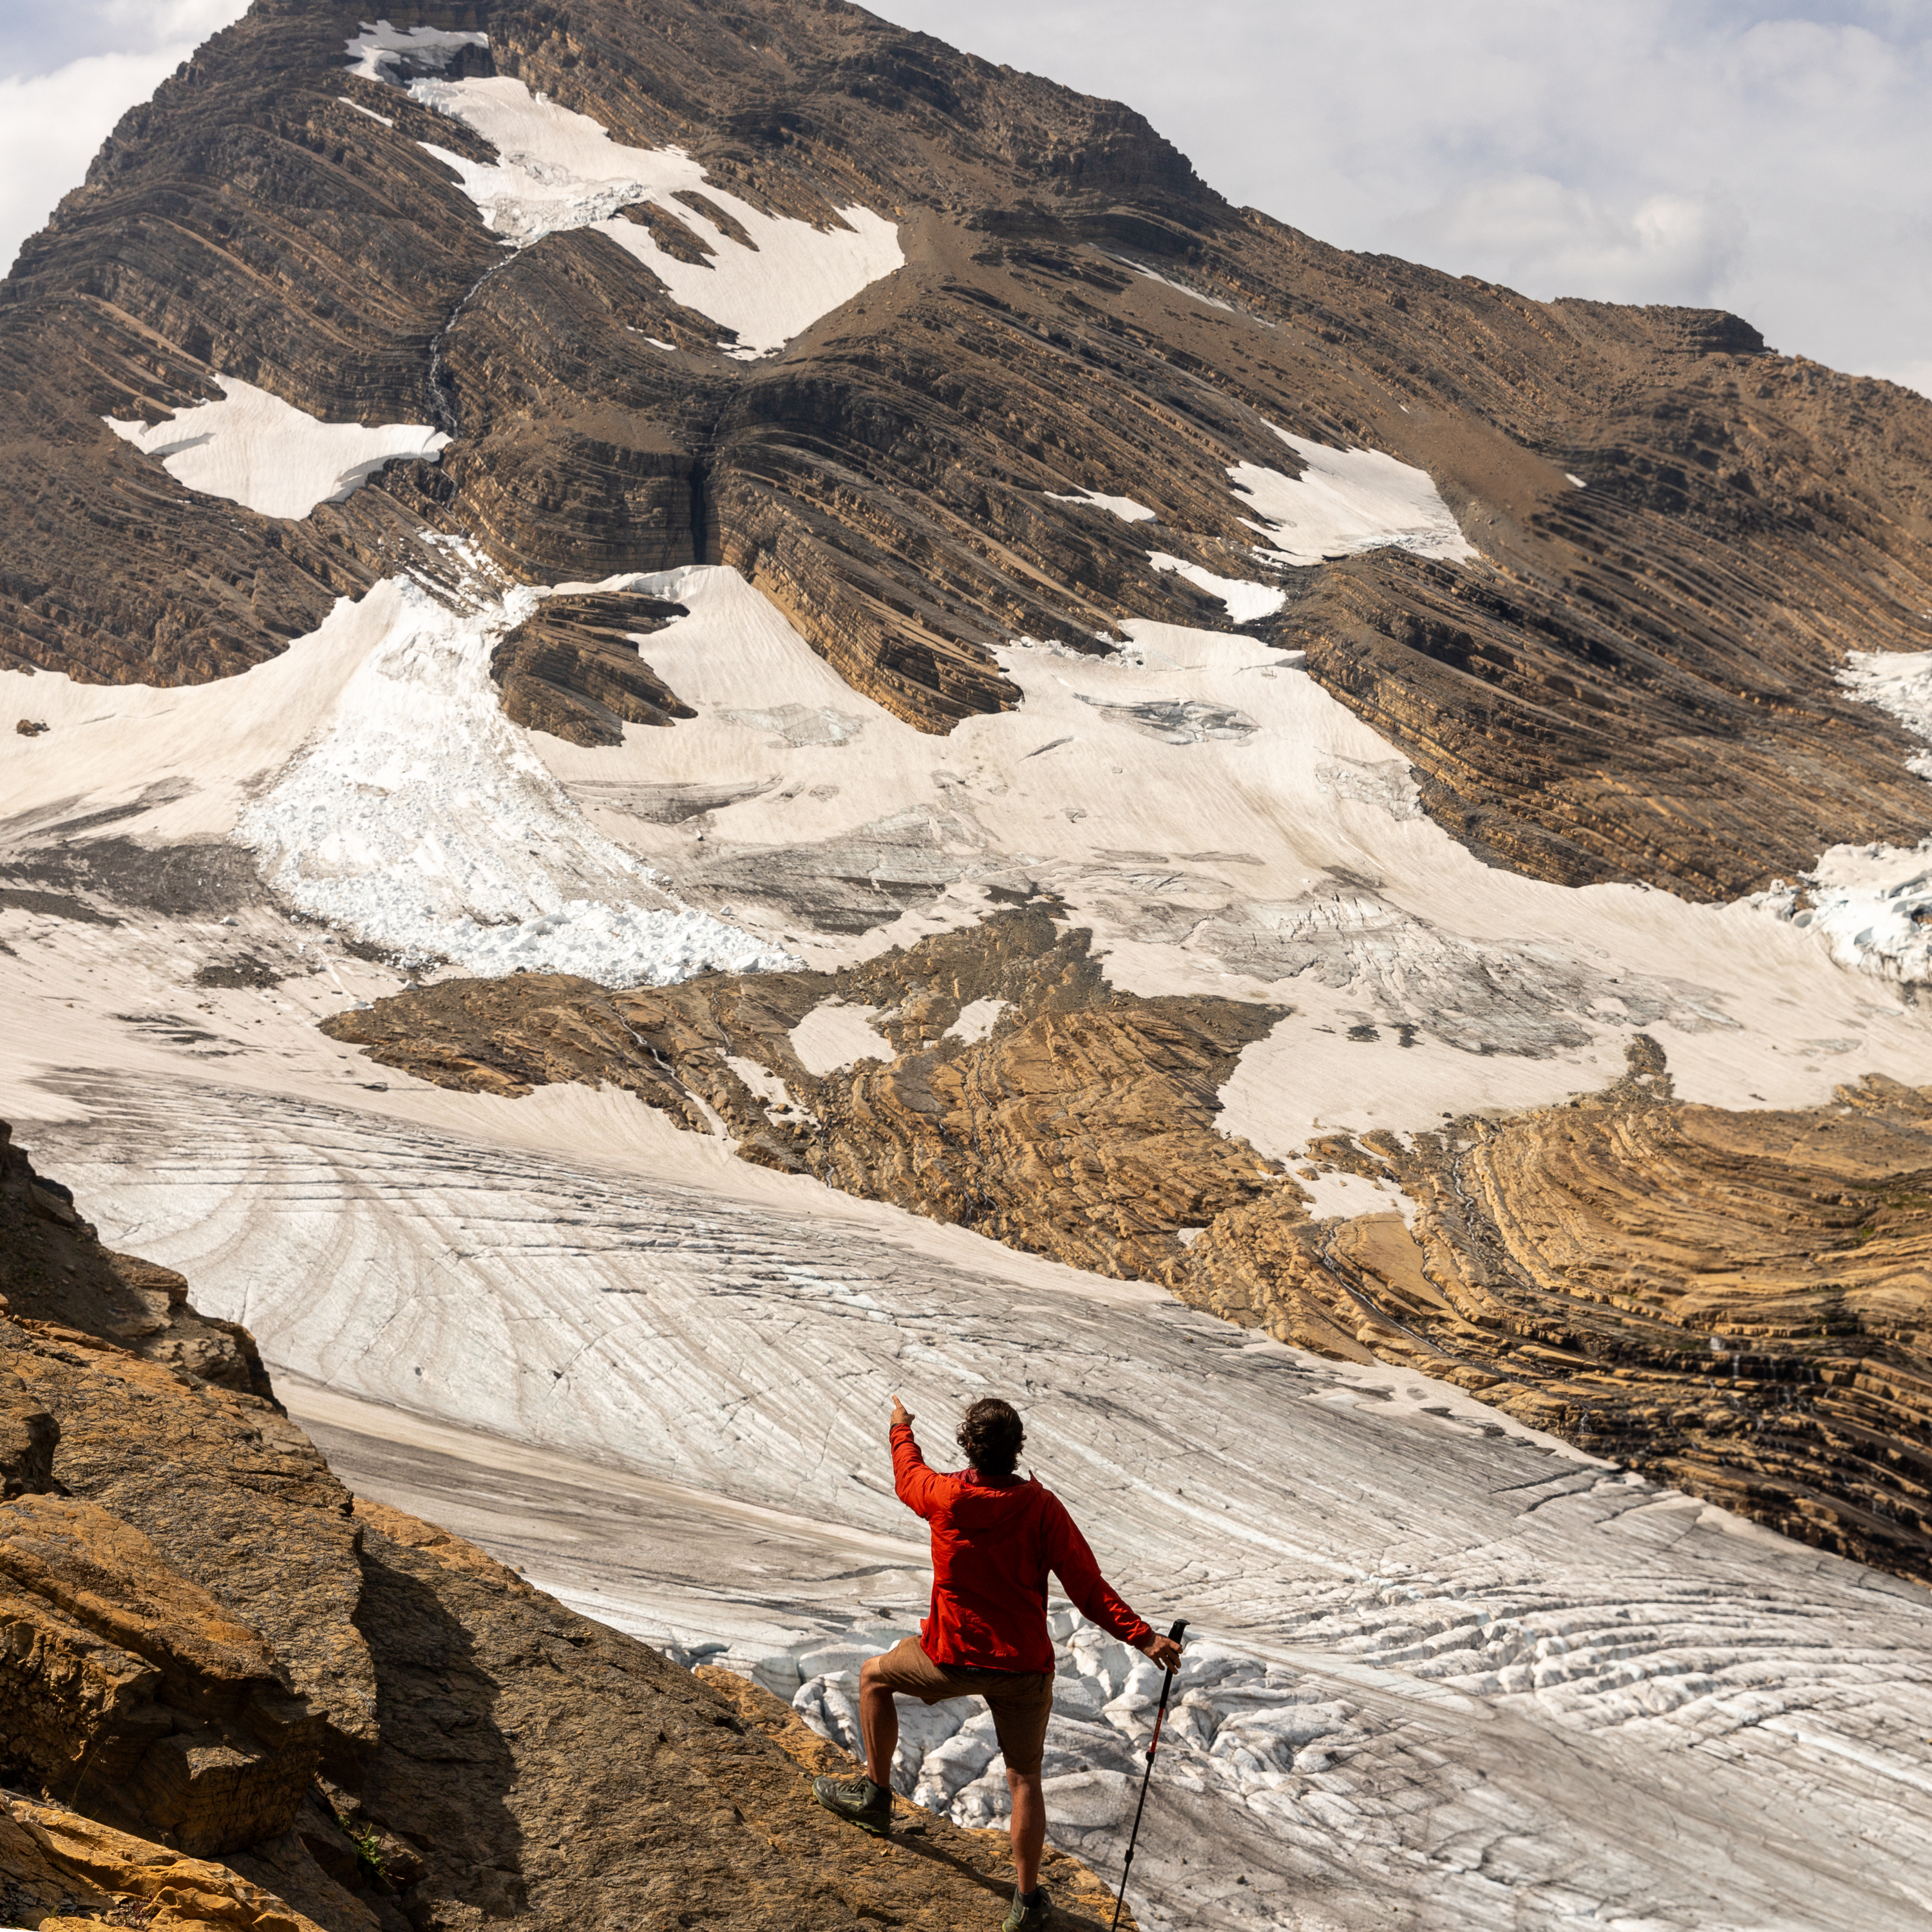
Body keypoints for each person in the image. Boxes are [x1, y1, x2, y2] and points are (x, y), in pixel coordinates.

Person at [813, 1394, 1182, 1932]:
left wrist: (900, 1428)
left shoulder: (944, 1497)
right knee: (1024, 1779)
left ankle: (874, 1796)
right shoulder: (1042, 1508)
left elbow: (907, 1474)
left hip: (952, 1659)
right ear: (1017, 1449)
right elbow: (1087, 1587)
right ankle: (1028, 1902)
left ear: (969, 1445)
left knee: (874, 1677)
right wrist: (1145, 1640)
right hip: (1024, 1670)